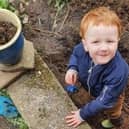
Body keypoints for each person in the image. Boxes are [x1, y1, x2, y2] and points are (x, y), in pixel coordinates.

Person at [65, 6, 129, 129]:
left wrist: (82, 114)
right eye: (95, 42)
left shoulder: (119, 72)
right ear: (85, 44)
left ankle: (116, 122)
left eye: (110, 41)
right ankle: (95, 100)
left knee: (112, 110)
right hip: (95, 88)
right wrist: (72, 68)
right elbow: (75, 55)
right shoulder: (81, 50)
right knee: (96, 100)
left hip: (112, 96)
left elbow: (105, 101)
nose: (104, 48)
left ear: (117, 40)